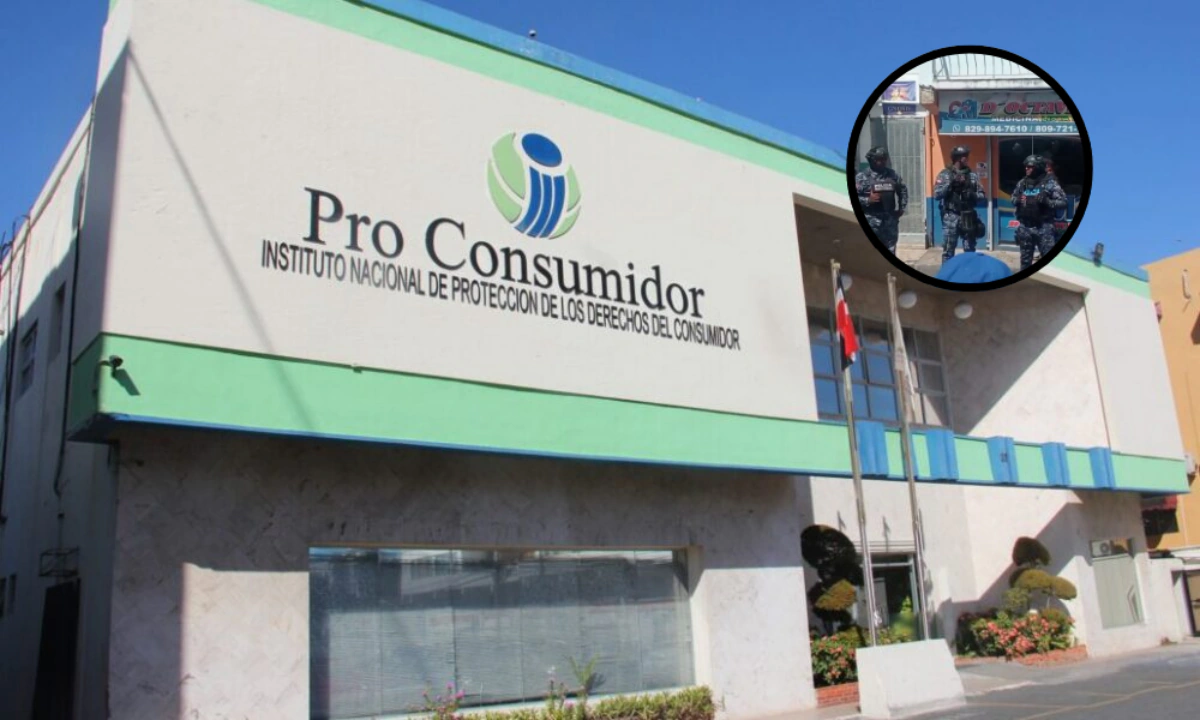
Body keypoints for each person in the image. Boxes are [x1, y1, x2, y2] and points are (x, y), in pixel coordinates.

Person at [1012, 155, 1068, 270]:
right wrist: (1017, 200)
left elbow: (1063, 202)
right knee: (1025, 262)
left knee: (1050, 265)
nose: (1026, 168)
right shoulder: (1022, 183)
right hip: (1025, 227)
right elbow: (1013, 198)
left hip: (1043, 227)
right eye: (1026, 166)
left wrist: (1048, 202)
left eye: (1030, 166)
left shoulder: (1049, 183)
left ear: (1037, 167)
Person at [932, 146, 987, 262]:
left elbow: (982, 195)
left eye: (967, 156)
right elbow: (937, 195)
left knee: (970, 251)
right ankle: (948, 272)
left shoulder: (972, 176)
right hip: (951, 216)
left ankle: (968, 273)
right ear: (957, 158)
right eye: (964, 156)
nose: (967, 158)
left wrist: (972, 195)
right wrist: (951, 184)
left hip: (968, 216)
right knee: (948, 251)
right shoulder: (945, 175)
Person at [855, 147, 908, 254]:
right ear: (872, 160)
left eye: (884, 159)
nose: (882, 162)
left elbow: (903, 191)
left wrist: (901, 208)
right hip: (871, 221)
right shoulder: (861, 177)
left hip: (889, 222)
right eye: (879, 159)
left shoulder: (893, 175)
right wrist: (868, 200)